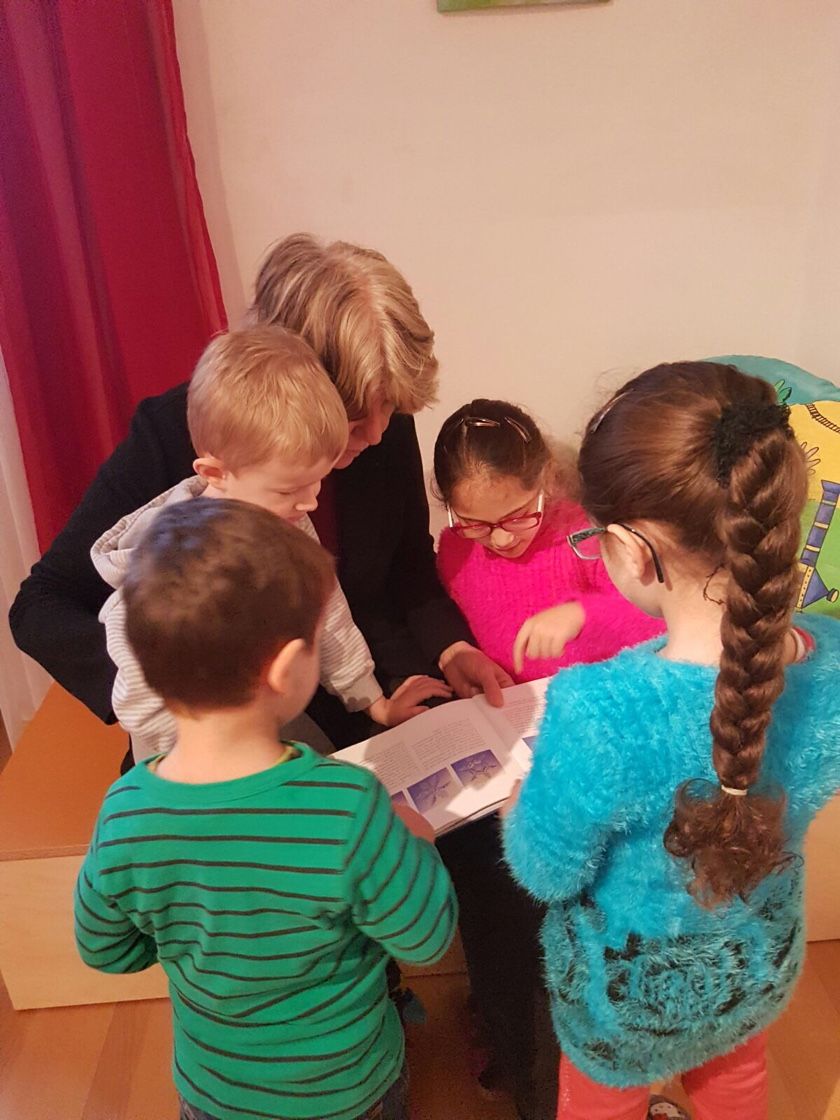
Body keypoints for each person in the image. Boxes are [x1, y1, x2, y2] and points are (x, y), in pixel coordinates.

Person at [9, 233, 510, 751]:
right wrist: (178, 687)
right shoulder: (176, 434)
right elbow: (40, 607)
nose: (379, 434)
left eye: (392, 409)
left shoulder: (383, 429)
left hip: (370, 690)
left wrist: (449, 649)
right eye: (356, 415)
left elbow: (404, 566)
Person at [503, 361, 840, 1120]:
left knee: (604, 1103)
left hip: (620, 1013)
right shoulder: (833, 666)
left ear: (633, 549)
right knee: (736, 1083)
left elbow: (545, 871)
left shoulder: (598, 711)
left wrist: (518, 808)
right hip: (754, 972)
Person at [75, 498, 458, 1120]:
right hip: (348, 1090)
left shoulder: (125, 811)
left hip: (215, 1093)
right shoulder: (347, 805)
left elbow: (106, 950)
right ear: (285, 668)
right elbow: (425, 935)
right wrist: (416, 844)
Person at [91, 325, 450, 762]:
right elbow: (138, 705)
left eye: (317, 481)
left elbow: (330, 613)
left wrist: (373, 700)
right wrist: (228, 757)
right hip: (187, 764)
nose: (310, 501)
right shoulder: (164, 568)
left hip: (271, 730)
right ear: (215, 473)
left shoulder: (286, 516)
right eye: (289, 490)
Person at [434, 399, 664, 683]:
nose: (501, 538)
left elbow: (659, 616)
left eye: (517, 516)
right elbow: (448, 621)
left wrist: (584, 615)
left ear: (546, 478)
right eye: (475, 523)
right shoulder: (455, 549)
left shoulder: (580, 534)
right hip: (509, 713)